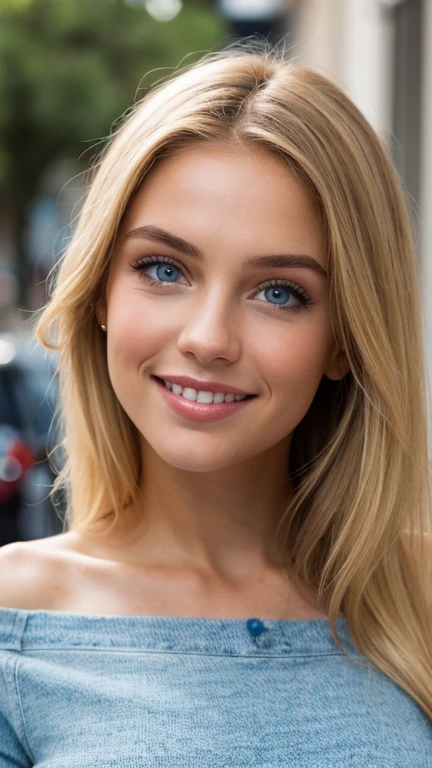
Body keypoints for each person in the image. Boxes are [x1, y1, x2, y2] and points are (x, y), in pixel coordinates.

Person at [0, 43, 431, 765]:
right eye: (164, 269)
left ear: (346, 340)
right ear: (102, 294)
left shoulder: (417, 599)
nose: (207, 339)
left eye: (279, 292)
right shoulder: (15, 623)